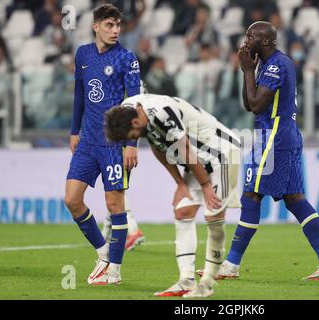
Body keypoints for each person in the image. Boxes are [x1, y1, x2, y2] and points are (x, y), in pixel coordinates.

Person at [198, 21, 319, 281]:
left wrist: (246, 70)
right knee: (294, 198)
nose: (245, 40)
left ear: (264, 41)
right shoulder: (267, 64)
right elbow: (248, 102)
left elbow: (255, 104)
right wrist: (248, 71)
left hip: (273, 137)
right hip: (283, 135)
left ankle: (230, 265)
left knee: (251, 195)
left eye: (250, 36)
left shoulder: (276, 64)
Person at [104, 93, 241, 298]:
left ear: (135, 121)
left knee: (213, 217)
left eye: (132, 136)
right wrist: (179, 183)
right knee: (183, 210)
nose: (133, 140)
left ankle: (207, 285)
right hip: (198, 157)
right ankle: (186, 281)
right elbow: (158, 146)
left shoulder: (162, 114)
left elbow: (184, 148)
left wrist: (205, 185)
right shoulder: (130, 109)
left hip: (222, 152)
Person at [64, 4, 143, 285]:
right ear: (96, 26)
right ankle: (104, 252)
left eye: (118, 25)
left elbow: (135, 103)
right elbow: (79, 94)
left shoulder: (127, 58)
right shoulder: (83, 54)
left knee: (114, 204)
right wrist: (74, 130)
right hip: (87, 141)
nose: (115, 30)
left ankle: (114, 272)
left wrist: (132, 143)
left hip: (114, 142)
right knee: (72, 199)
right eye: (109, 25)